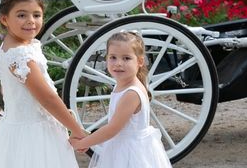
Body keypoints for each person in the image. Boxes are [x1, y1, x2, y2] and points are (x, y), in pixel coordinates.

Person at [0, 0, 86, 168]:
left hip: (14, 128)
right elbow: (47, 98)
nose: (31, 21)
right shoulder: (20, 55)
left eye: (36, 15)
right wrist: (76, 129)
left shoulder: (10, 47)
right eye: (22, 15)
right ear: (4, 19)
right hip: (34, 133)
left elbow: (6, 89)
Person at [69, 31, 171, 168]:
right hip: (122, 146)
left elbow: (113, 129)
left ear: (140, 61)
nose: (118, 63)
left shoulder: (131, 93)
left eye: (126, 58)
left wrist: (84, 143)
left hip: (131, 153)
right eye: (113, 57)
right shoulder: (122, 85)